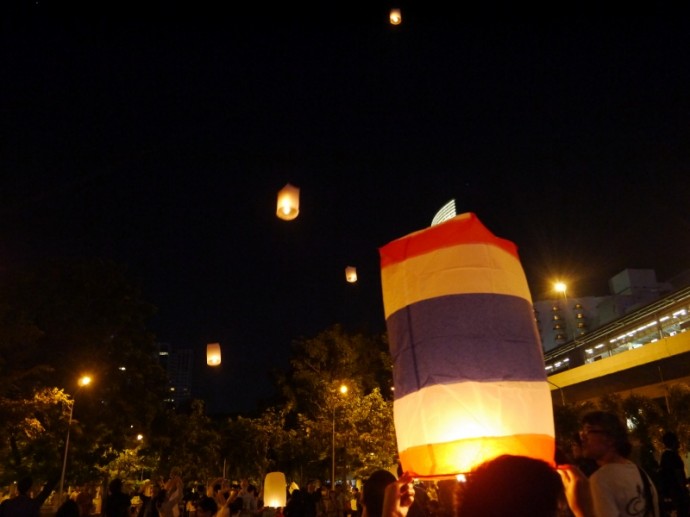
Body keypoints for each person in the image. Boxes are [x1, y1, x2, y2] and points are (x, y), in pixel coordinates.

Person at [580, 410, 660, 517]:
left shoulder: (600, 480)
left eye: (588, 431)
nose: (582, 438)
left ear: (610, 438)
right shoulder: (639, 472)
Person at [658, 431, 690, 516]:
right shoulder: (674, 457)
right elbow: (678, 475)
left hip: (672, 493)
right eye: (677, 441)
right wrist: (684, 490)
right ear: (673, 442)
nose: (679, 443)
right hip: (678, 494)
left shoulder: (664, 456)